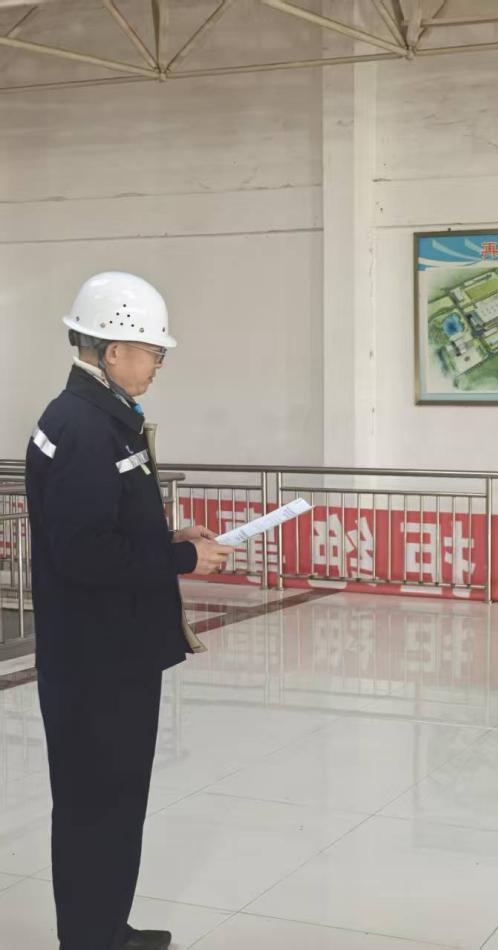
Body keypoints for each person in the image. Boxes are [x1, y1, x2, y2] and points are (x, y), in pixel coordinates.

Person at [24, 272, 232, 950]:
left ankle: (104, 929)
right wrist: (183, 559)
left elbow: (101, 527)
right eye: (153, 351)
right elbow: (84, 553)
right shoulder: (85, 427)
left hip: (105, 652)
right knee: (98, 805)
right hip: (97, 661)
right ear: (113, 349)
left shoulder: (96, 417)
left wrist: (169, 537)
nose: (158, 364)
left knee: (110, 804)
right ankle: (91, 939)